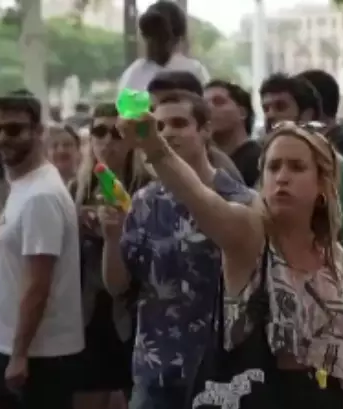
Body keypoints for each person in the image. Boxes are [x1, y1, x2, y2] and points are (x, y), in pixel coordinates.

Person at [116, 108, 343, 407]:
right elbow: (199, 196)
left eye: (296, 167)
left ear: (322, 185)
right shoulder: (250, 235)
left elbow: (340, 344)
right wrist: (155, 147)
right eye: (273, 167)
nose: (282, 177)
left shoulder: (332, 253)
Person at [101, 91, 252, 409]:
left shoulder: (239, 201)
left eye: (180, 123)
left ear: (205, 130)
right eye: (159, 125)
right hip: (155, 371)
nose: (167, 132)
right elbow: (118, 285)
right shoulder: (145, 200)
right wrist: (112, 237)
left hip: (221, 373)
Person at [0, 90, 83, 409]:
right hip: (18, 350)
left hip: (37, 357)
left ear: (39, 132)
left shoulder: (41, 196)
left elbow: (38, 283)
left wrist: (19, 354)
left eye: (14, 129)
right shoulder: (26, 185)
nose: (2, 138)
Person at [70, 103, 152, 409]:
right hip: (90, 311)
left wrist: (123, 220)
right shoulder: (78, 186)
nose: (107, 140)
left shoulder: (148, 185)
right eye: (99, 131)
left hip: (135, 311)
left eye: (116, 132)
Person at [147, 71, 245, 184]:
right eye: (153, 107)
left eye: (179, 123)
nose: (167, 133)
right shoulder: (147, 162)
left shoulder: (222, 172)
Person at [119, 1, 209, 91]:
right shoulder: (135, 74)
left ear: (177, 37)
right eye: (149, 33)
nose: (154, 41)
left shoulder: (195, 72)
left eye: (162, 34)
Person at [204, 79, 261, 187]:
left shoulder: (259, 159)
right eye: (204, 104)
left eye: (219, 102)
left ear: (242, 113)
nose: (208, 108)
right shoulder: (205, 160)